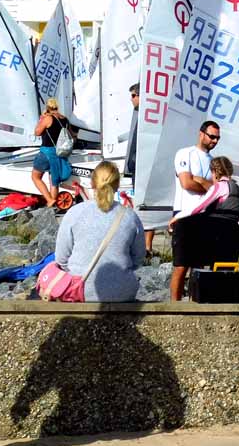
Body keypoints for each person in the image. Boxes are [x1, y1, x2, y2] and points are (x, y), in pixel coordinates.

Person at [53, 161, 145, 302]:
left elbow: (61, 259)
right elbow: (138, 259)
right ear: (117, 185)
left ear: (92, 183)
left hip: (80, 290)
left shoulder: (75, 213)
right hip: (122, 291)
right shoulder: (130, 216)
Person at [170, 157, 239, 300]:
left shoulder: (219, 186)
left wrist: (177, 217)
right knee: (219, 273)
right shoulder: (237, 189)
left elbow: (199, 207)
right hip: (230, 235)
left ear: (214, 172)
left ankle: (174, 305)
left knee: (181, 268)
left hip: (209, 233)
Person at [125, 85, 167, 252]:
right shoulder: (137, 114)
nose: (131, 98)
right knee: (141, 205)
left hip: (148, 166)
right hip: (137, 166)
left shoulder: (152, 116)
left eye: (134, 95)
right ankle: (144, 245)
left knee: (147, 204)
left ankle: (147, 246)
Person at [32, 98, 74, 207]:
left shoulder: (48, 118)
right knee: (54, 181)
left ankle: (50, 200)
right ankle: (52, 205)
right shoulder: (65, 119)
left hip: (47, 152)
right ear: (57, 107)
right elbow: (71, 135)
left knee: (35, 177)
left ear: (47, 107)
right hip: (60, 153)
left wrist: (42, 119)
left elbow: (37, 132)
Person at [174, 121, 219, 219]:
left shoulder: (214, 161)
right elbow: (186, 183)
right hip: (185, 211)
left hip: (205, 212)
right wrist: (209, 188)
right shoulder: (185, 153)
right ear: (201, 134)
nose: (215, 141)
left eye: (217, 138)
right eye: (212, 137)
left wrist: (201, 181)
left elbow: (217, 189)